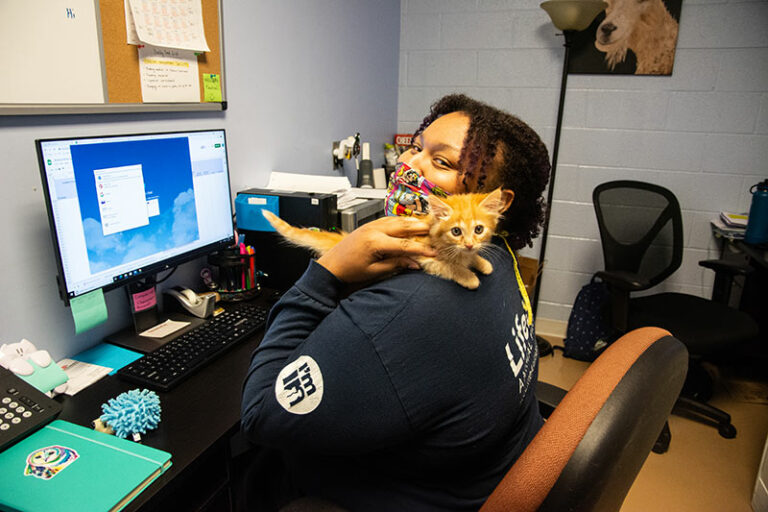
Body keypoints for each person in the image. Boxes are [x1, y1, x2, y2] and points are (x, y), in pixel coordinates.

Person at [240, 94, 551, 511]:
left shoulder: (407, 312)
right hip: (480, 472)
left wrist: (327, 271)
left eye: (441, 162)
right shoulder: (501, 262)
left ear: (492, 200)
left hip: (417, 494)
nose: (410, 165)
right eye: (417, 148)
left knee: (250, 472)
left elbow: (259, 414)